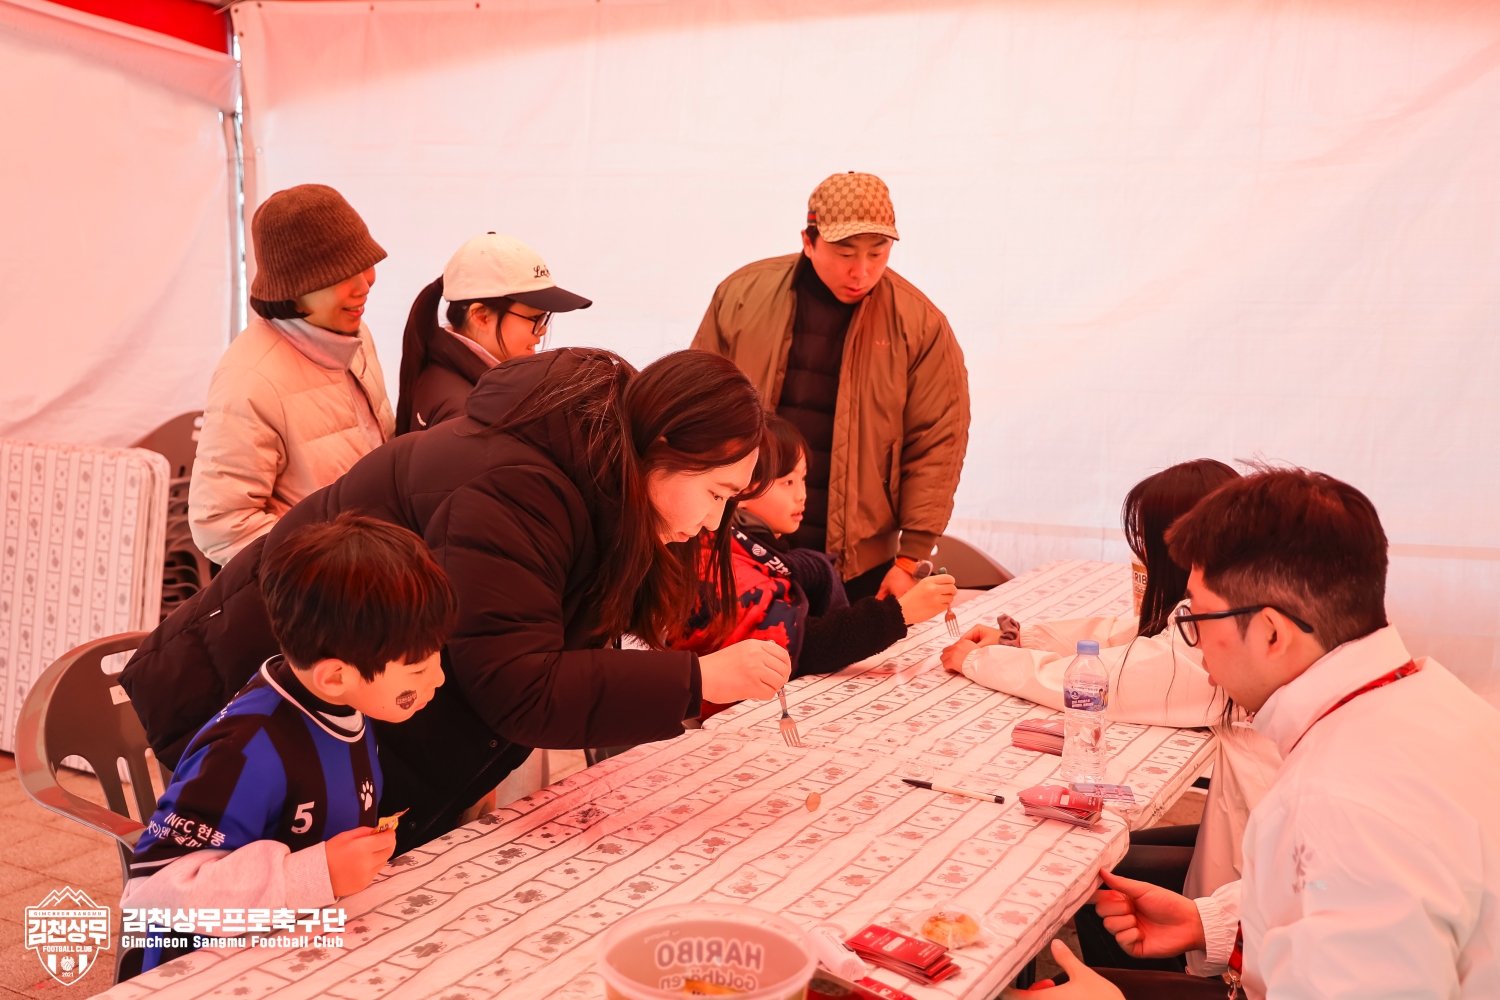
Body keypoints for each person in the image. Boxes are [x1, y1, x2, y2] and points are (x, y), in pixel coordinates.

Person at [123, 348, 792, 852]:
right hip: (252, 706)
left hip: (347, 730)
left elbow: (514, 658)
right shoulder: (517, 490)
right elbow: (520, 685)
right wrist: (698, 679)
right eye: (715, 494)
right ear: (664, 447)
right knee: (232, 915)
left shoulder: (600, 484)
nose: (714, 522)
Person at [1012, 468, 1500, 999]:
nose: (1195, 643)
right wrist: (1212, 922)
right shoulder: (1432, 699)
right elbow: (1327, 897)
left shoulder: (1342, 803)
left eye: (1197, 619)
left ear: (1271, 631)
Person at [940, 461, 1282, 918]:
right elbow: (1139, 635)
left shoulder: (1223, 633)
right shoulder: (1247, 603)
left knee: (1088, 870)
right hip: (1259, 839)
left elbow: (1107, 682)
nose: (1138, 554)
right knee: (1105, 854)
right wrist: (1023, 638)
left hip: (1258, 879)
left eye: (1145, 539)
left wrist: (978, 660)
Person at [121, 514, 454, 970]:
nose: (438, 678)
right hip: (207, 974)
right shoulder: (246, 751)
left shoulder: (341, 702)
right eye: (418, 669)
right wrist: (316, 875)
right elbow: (151, 895)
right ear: (334, 676)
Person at [693, 171, 969, 602]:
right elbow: (698, 411)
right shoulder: (742, 297)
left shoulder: (920, 325)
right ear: (809, 241)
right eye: (844, 253)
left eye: (878, 253)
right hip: (739, 548)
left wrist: (910, 558)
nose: (862, 271)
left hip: (860, 565)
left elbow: (937, 443)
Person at [675, 416, 957, 714]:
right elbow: (803, 647)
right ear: (741, 488)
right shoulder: (724, 562)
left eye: (803, 479)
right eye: (787, 482)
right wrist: (900, 612)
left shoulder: (768, 553)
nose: (802, 494)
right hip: (724, 719)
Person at [190, 184, 395, 565]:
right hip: (327, 587)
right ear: (293, 292)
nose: (365, 284)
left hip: (380, 569)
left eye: (365, 264)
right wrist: (329, 567)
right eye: (342, 276)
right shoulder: (250, 380)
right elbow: (221, 525)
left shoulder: (353, 334)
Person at [394, 232, 593, 434]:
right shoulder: (468, 413)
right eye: (534, 318)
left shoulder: (450, 378)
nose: (542, 330)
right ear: (481, 317)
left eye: (544, 318)